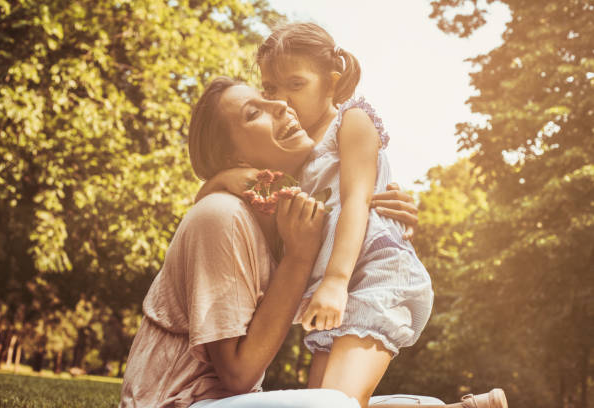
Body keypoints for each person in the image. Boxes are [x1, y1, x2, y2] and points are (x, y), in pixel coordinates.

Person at [132, 77, 508, 408]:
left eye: (269, 96)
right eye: (254, 112)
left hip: (234, 403)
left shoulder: (284, 220)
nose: (279, 103)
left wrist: (383, 213)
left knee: (333, 399)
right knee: (330, 404)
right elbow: (237, 374)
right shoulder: (222, 216)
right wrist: (299, 256)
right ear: (233, 157)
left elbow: (349, 201)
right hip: (177, 403)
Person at [199, 23, 436, 408]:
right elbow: (231, 202)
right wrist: (223, 177)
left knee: (335, 401)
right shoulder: (296, 151)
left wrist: (337, 281)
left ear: (331, 81)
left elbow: (357, 199)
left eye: (296, 84)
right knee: (323, 401)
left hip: (374, 276)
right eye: (272, 89)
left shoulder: (351, 120)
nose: (285, 101)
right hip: (334, 291)